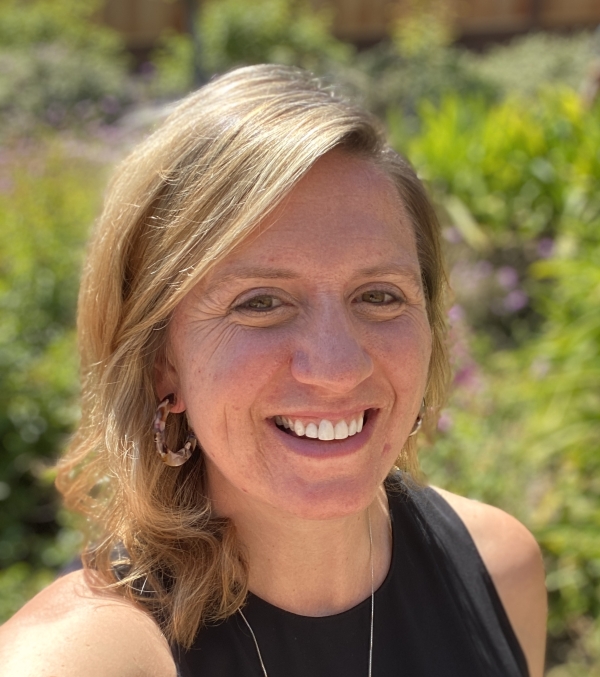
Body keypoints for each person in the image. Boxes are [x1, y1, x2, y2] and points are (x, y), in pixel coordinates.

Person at [0, 64, 547, 677]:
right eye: (260, 302)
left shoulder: (500, 569)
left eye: (380, 296)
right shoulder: (80, 663)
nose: (336, 368)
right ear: (160, 361)